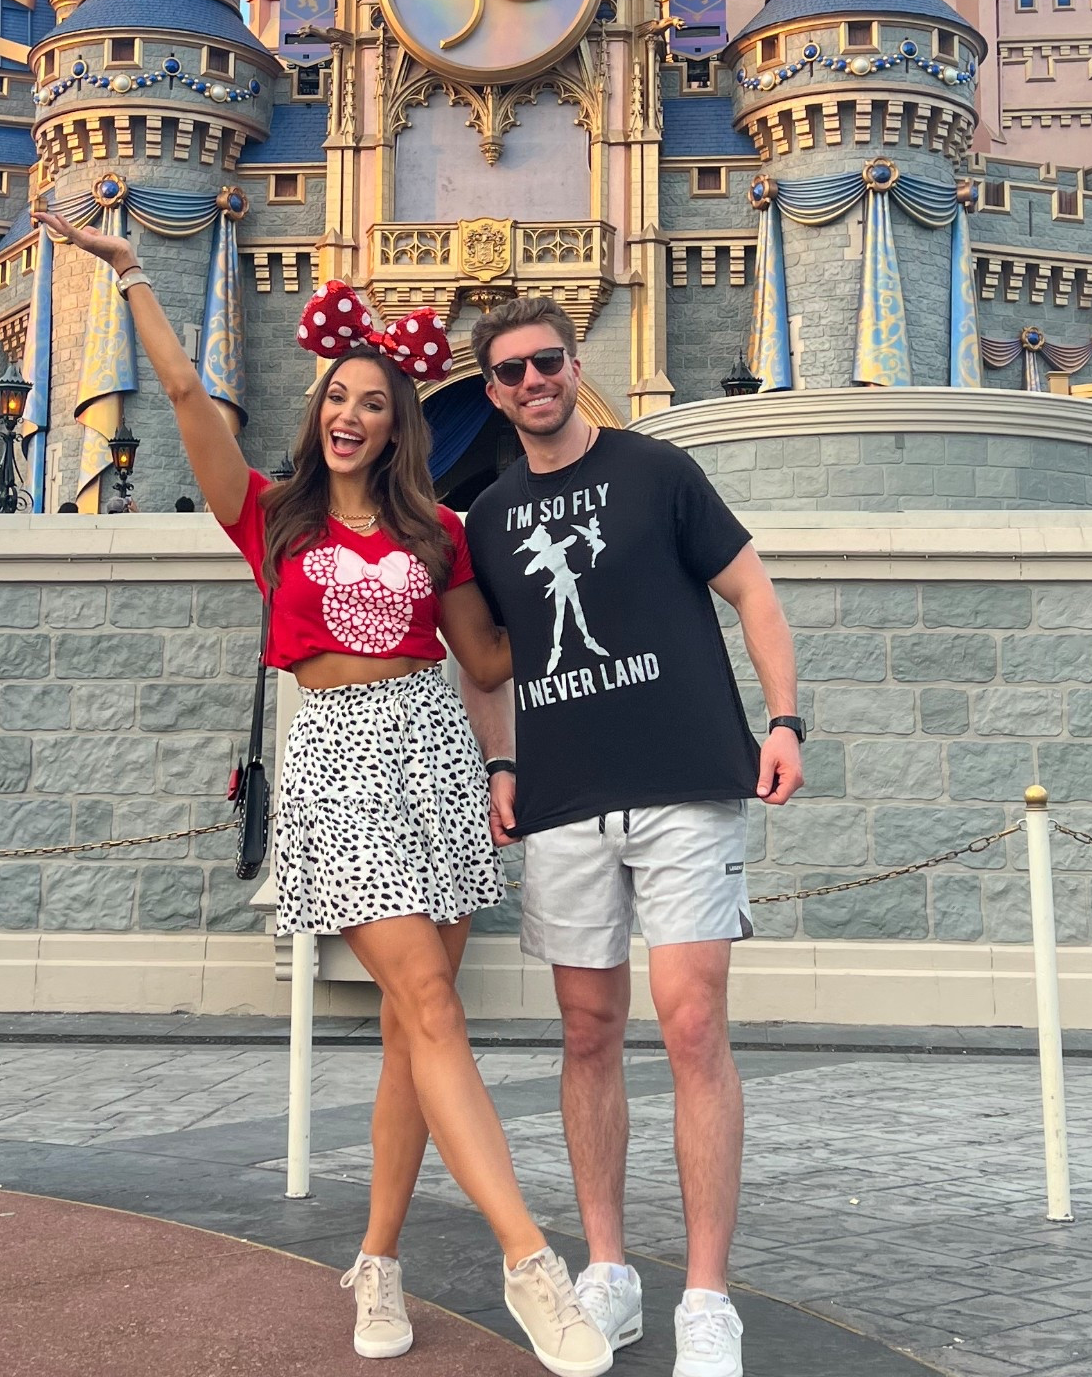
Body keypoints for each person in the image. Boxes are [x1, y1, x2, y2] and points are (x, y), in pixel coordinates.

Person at [39, 219, 613, 1377]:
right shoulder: (269, 512)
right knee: (431, 1006)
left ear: (399, 424)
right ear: (319, 410)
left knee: (414, 1028)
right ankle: (529, 1262)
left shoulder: (438, 529)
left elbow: (488, 661)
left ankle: (378, 1259)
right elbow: (187, 390)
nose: (352, 413)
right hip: (338, 761)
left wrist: (586, 577)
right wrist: (134, 272)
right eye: (338, 396)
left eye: (374, 402)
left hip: (433, 756)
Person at [463, 296, 806, 1377]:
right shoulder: (486, 517)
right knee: (586, 1031)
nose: (533, 381)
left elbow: (752, 590)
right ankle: (608, 1270)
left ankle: (708, 1295)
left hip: (685, 782)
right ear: (492, 391)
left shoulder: (659, 472)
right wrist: (502, 763)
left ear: (574, 364)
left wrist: (784, 719)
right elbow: (486, 662)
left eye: (547, 361)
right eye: (511, 370)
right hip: (565, 798)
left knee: (693, 1023)